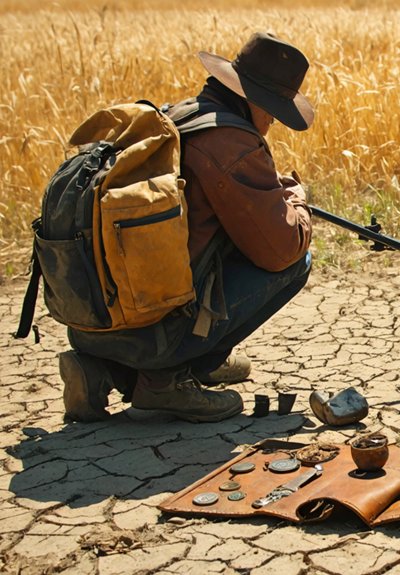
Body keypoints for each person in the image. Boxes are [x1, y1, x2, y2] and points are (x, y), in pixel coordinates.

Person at [59, 32, 314, 423]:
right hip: (155, 334)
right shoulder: (230, 141)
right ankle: (168, 382)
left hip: (94, 322)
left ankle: (100, 370)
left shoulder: (178, 115)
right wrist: (295, 197)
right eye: (274, 112)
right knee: (298, 261)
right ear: (257, 101)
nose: (272, 124)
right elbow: (281, 247)